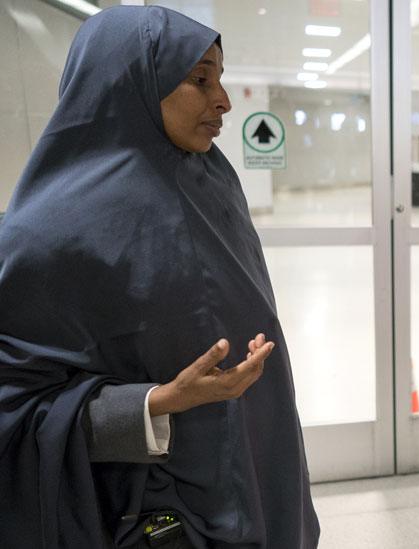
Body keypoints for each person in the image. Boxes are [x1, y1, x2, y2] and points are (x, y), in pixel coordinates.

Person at [0, 7, 318, 548]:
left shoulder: (213, 182)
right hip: (153, 509)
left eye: (220, 77)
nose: (222, 99)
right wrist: (155, 403)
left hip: (258, 460)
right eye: (199, 78)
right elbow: (16, 406)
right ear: (128, 82)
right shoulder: (46, 232)